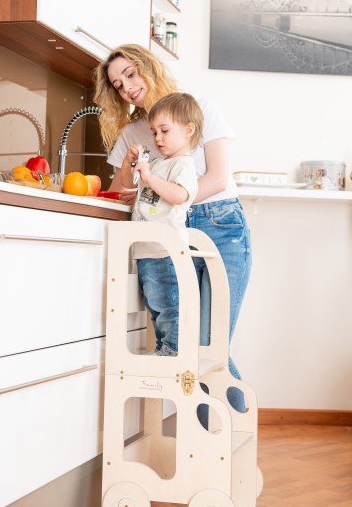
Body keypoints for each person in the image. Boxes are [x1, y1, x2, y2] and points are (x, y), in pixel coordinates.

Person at [94, 44, 252, 414]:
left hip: (220, 224)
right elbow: (119, 192)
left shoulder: (199, 109)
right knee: (186, 346)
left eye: (130, 74)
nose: (127, 87)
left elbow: (217, 178)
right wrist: (131, 166)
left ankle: (229, 433)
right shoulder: (133, 133)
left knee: (210, 345)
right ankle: (211, 438)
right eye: (117, 84)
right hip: (168, 235)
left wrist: (169, 201)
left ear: (148, 67)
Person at [117, 93, 202, 356]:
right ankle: (165, 349)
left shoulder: (183, 166)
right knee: (156, 307)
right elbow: (127, 182)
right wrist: (129, 162)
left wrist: (149, 177)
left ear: (188, 130)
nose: (158, 138)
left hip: (166, 252)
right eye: (154, 132)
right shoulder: (155, 164)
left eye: (164, 131)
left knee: (169, 307)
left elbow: (179, 195)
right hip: (147, 251)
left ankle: (174, 352)